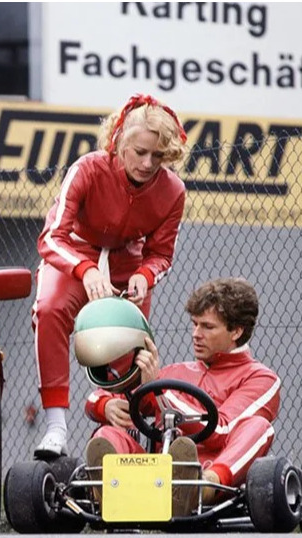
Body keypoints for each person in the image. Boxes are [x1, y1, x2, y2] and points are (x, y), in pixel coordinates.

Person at [30, 93, 189, 460]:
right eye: (140, 152)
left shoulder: (173, 191)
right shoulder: (87, 168)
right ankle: (56, 427)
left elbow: (161, 254)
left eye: (158, 156)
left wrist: (145, 275)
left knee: (131, 343)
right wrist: (83, 270)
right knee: (50, 309)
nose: (148, 163)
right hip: (74, 252)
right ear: (118, 142)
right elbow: (50, 236)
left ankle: (118, 435)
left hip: (127, 264)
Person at [80, 278, 281, 516]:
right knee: (107, 434)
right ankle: (113, 489)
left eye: (207, 327)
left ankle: (199, 488)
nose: (196, 334)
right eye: (194, 324)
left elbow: (220, 431)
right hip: (155, 476)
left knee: (259, 427)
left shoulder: (261, 379)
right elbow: (96, 398)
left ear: (236, 331)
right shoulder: (174, 373)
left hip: (214, 476)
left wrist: (159, 390)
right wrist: (106, 405)